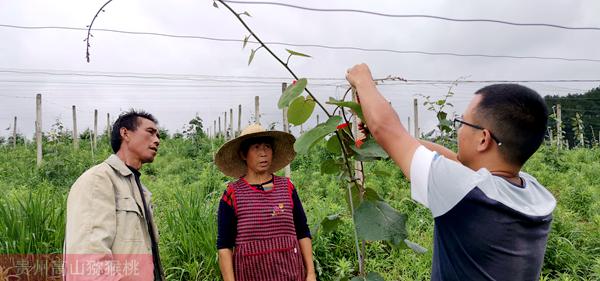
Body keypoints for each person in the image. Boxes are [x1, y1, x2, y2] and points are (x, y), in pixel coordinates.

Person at [346, 63, 556, 281]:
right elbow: (455, 163)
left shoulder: (467, 194)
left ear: (483, 139)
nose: (459, 130)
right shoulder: (534, 193)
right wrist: (402, 142)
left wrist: (363, 80)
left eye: (462, 122)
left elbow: (386, 129)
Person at [64, 109, 164, 281]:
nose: (157, 140)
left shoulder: (137, 187)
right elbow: (89, 262)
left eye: (158, 135)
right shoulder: (99, 180)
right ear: (125, 133)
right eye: (150, 132)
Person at [215, 124, 317, 281]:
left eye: (267, 147)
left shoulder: (287, 187)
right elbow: (224, 246)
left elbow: (302, 232)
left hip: (291, 274)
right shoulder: (233, 194)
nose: (263, 153)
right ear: (243, 154)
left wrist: (310, 273)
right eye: (256, 147)